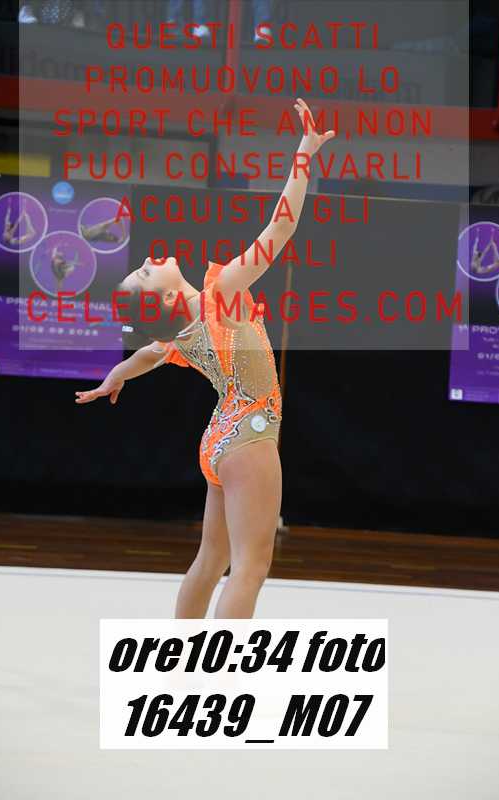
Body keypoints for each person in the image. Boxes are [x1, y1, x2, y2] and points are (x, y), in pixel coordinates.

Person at [74, 99, 335, 619]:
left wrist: (114, 377)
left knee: (211, 559)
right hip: (250, 434)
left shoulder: (183, 330)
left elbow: (146, 355)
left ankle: (182, 653)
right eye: (145, 274)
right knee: (250, 568)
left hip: (219, 439)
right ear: (168, 297)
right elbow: (278, 230)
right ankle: (221, 667)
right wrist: (304, 154)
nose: (148, 260)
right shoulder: (221, 297)